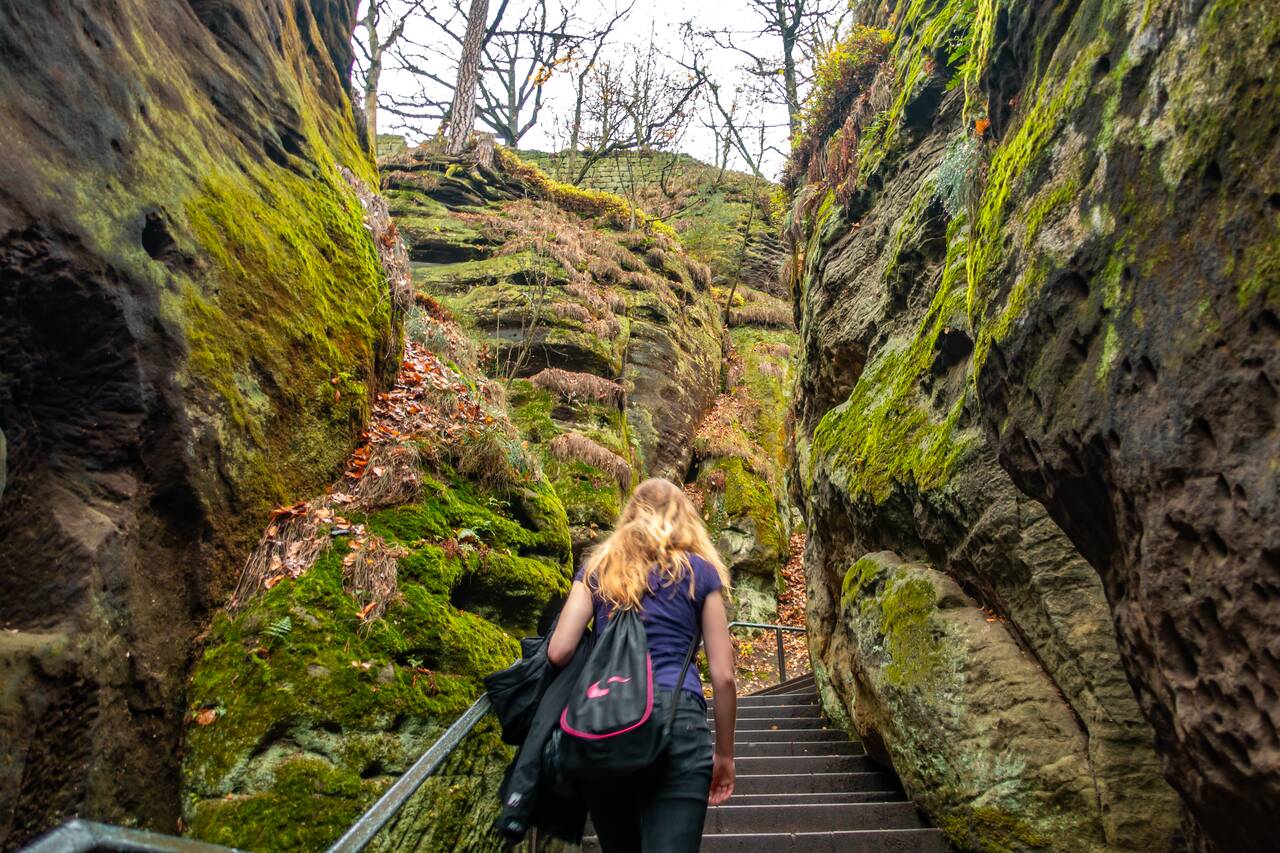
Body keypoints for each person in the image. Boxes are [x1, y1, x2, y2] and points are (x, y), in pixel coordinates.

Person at [547, 477, 737, 853]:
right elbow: (724, 677)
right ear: (684, 519)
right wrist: (725, 755)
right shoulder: (700, 572)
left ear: (631, 514)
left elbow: (559, 650)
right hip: (678, 721)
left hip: (607, 721)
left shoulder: (598, 569)